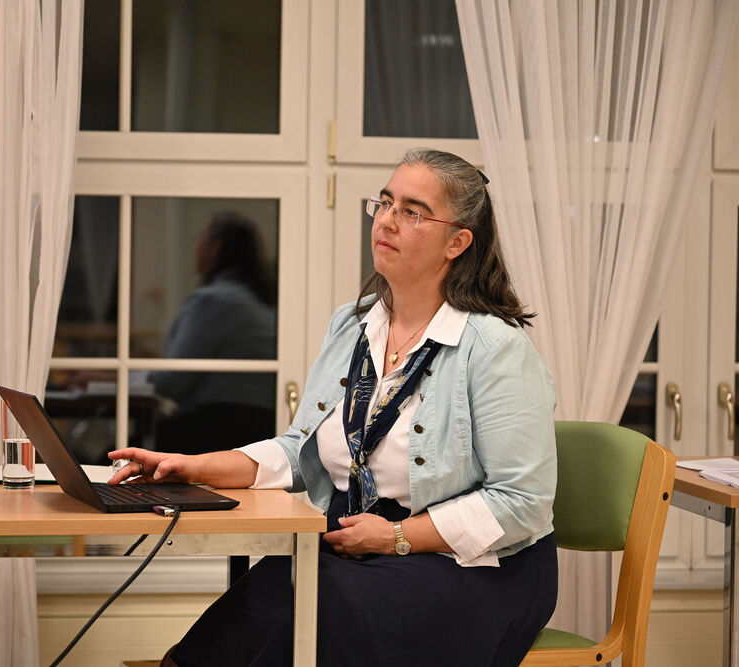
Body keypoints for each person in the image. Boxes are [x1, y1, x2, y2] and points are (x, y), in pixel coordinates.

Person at [110, 148, 558, 667]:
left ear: (457, 242)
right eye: (384, 203)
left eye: (412, 212)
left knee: (308, 629)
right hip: (354, 542)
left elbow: (522, 501)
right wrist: (192, 467)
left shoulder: (496, 348)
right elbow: (300, 450)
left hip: (473, 566)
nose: (387, 220)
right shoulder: (352, 324)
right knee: (218, 640)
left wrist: (396, 537)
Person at [149, 211, 277, 454]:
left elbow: (174, 380)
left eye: (198, 239)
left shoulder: (214, 301)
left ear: (214, 247)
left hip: (218, 429)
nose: (195, 248)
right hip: (259, 431)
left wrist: (116, 379)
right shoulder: (261, 300)